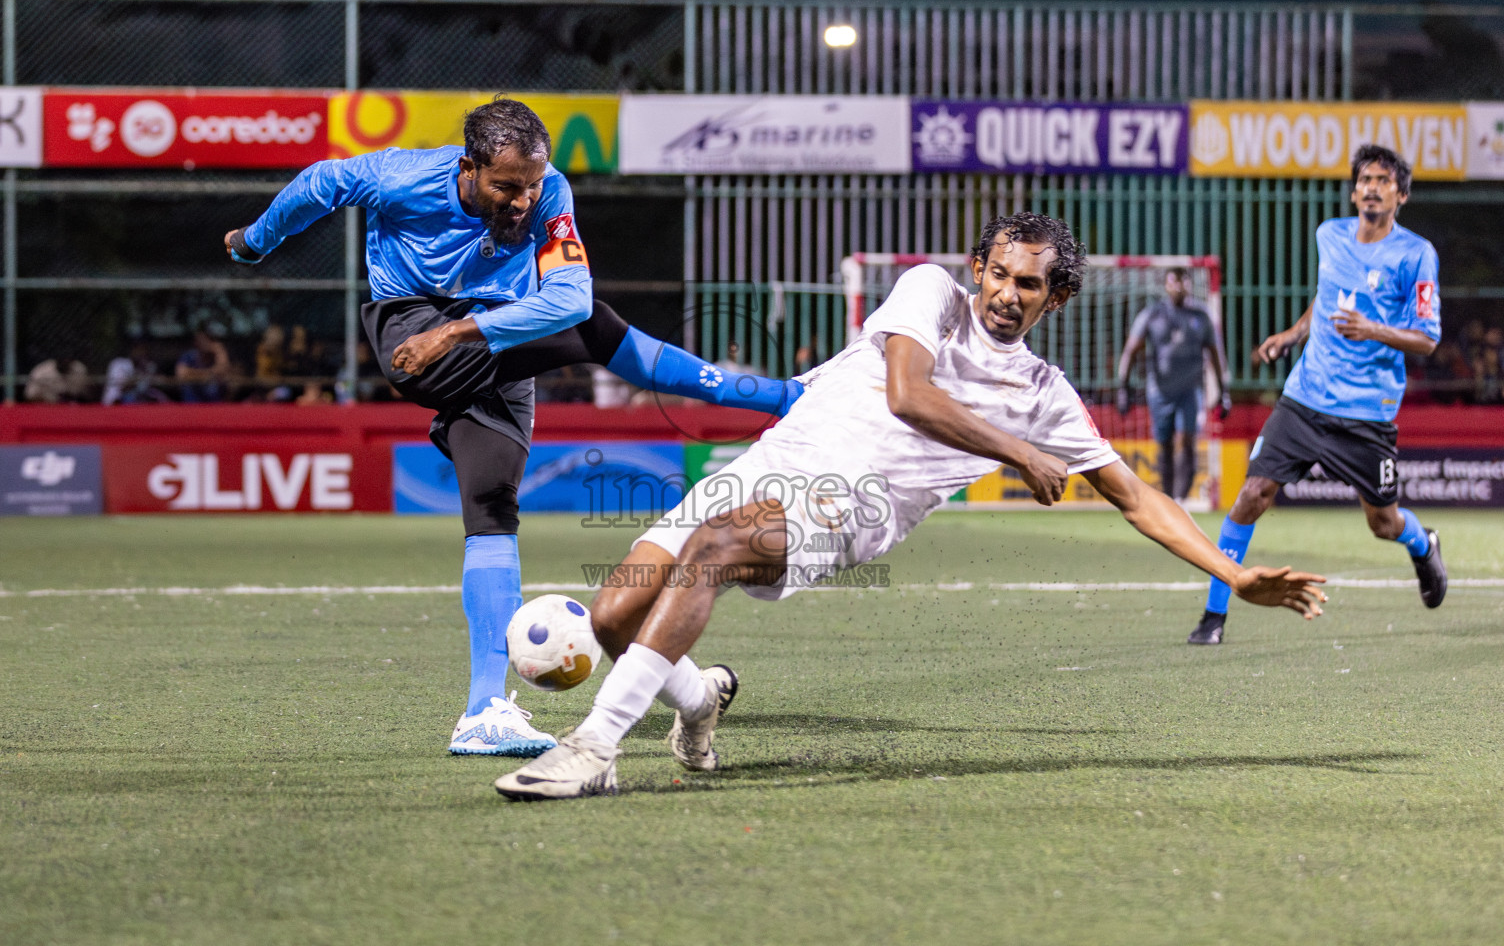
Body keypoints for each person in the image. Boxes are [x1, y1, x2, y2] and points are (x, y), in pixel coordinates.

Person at [494, 213, 1328, 800]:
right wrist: (1017, 452)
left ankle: (594, 749)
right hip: (771, 462)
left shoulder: (1044, 395)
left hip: (848, 503)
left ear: (1055, 299)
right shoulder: (928, 292)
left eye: (1028, 284)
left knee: (715, 549)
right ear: (979, 269)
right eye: (999, 272)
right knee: (612, 616)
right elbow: (907, 393)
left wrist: (1231, 572)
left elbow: (1137, 497)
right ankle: (700, 700)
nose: (1007, 291)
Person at [223, 96, 802, 758]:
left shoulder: (549, 189)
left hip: (494, 338)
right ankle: (782, 397)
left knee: (493, 508)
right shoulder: (403, 175)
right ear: (469, 167)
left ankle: (484, 713)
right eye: (506, 186)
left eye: (531, 185)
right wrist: (254, 241)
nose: (523, 200)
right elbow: (324, 183)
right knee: (595, 330)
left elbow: (567, 295)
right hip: (413, 328)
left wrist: (462, 332)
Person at [1183, 144, 1446, 648]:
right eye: (1365, 179)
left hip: (1366, 413)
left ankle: (1422, 542)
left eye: (1383, 181)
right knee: (1251, 496)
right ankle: (1213, 616)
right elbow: (1328, 298)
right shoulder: (1330, 234)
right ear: (1354, 191)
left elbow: (1428, 339)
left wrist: (1372, 329)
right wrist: (1293, 333)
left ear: (1402, 195)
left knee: (1383, 522)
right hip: (1304, 399)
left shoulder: (1416, 254)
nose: (1372, 187)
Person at [1115, 267, 1231, 504]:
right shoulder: (1152, 315)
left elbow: (1216, 355)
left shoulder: (1201, 315)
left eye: (1183, 282)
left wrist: (1224, 390)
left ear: (1189, 285)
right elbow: (1130, 351)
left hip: (1191, 390)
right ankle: (1168, 497)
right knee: (1164, 444)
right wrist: (1123, 388)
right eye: (1173, 282)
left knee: (1188, 441)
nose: (1178, 287)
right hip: (1160, 391)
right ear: (1166, 285)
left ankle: (1181, 499)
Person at [175, 326, 231, 403]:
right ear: (195, 342)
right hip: (192, 404)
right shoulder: (189, 356)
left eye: (206, 340)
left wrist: (220, 352)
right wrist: (208, 373)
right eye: (200, 340)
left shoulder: (215, 357)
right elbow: (181, 374)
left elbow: (222, 371)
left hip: (214, 404)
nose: (203, 343)